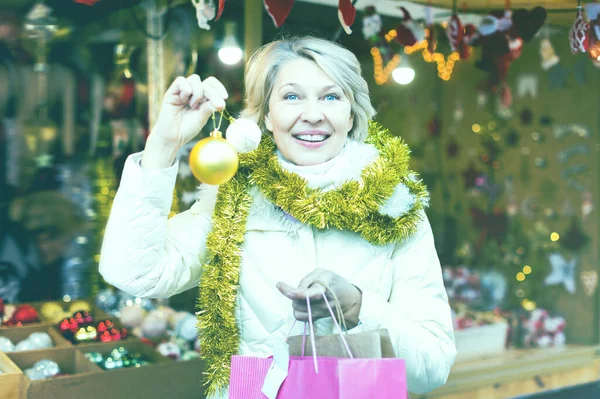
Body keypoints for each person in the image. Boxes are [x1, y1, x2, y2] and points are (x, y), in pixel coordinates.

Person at [100, 36, 456, 397]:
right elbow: (135, 273)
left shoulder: (395, 208)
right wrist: (163, 142)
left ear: (351, 115)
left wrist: (359, 307)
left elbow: (434, 365)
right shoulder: (233, 201)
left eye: (331, 97)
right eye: (291, 96)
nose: (313, 114)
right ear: (267, 116)